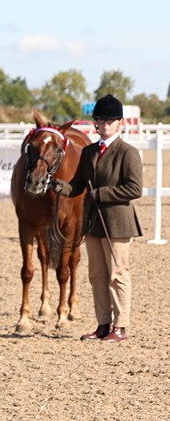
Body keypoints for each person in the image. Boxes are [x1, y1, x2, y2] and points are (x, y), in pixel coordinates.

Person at [51, 94, 143, 343]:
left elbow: (135, 189)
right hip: (93, 222)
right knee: (97, 275)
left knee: (117, 273)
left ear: (119, 123)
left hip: (117, 222)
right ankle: (103, 324)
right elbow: (79, 184)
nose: (103, 125)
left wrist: (102, 193)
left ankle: (121, 326)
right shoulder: (90, 150)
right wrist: (61, 187)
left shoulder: (128, 152)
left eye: (108, 121)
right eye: (99, 121)